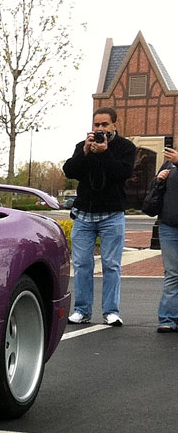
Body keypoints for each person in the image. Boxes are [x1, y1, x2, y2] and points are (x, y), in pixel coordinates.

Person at [62, 107, 137, 325]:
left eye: (105, 125)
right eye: (97, 125)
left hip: (112, 215)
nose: (100, 129)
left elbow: (123, 173)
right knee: (82, 264)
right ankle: (82, 310)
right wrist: (85, 151)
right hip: (84, 215)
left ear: (115, 125)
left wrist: (104, 153)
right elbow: (69, 171)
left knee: (111, 264)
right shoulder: (83, 146)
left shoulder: (125, 148)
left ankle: (111, 311)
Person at [142, 146, 177, 332]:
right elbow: (154, 192)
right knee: (172, 273)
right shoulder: (168, 164)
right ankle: (168, 318)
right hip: (169, 226)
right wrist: (158, 180)